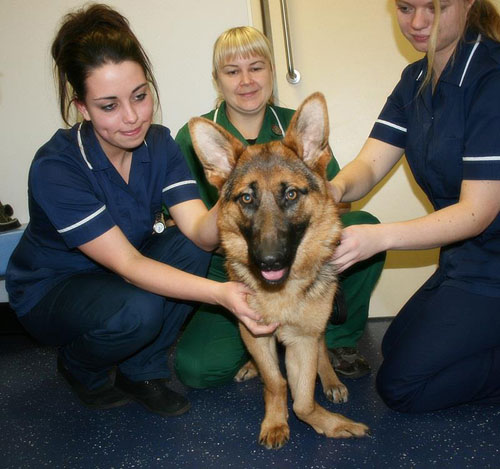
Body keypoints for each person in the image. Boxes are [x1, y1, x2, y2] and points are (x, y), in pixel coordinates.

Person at [5, 4, 276, 417]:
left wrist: (235, 185)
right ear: (82, 108)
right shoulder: (56, 166)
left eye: (140, 96)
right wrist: (224, 294)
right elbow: (130, 264)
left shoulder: (160, 143)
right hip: (55, 287)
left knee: (191, 249)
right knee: (138, 309)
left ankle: (141, 371)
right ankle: (80, 366)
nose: (132, 118)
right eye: (109, 106)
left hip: (119, 273)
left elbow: (201, 232)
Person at [174, 26, 385, 388]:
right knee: (198, 369)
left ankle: (333, 341)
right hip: (228, 269)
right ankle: (259, 343)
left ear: (272, 71)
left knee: (365, 227)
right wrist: (235, 187)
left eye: (256, 67)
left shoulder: (295, 126)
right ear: (216, 80)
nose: (246, 80)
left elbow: (335, 202)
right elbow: (197, 233)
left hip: (300, 262)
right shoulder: (195, 137)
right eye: (231, 71)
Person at [330, 0, 500, 413]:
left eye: (436, 6)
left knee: (401, 386)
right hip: (462, 261)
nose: (419, 22)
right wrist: (332, 188)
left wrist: (378, 237)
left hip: (493, 264)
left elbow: (477, 213)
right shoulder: (417, 78)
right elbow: (369, 165)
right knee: (394, 343)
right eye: (406, 8)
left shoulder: (491, 78)